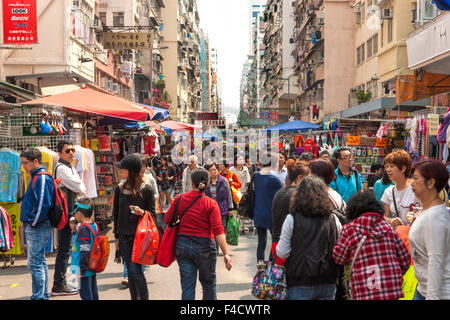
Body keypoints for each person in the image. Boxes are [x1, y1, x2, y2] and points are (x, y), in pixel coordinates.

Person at [165, 168, 232, 300]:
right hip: (205, 247)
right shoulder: (211, 204)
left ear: (192, 183)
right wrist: (226, 253)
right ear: (207, 185)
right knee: (208, 284)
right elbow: (218, 230)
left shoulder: (180, 199)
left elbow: (167, 219)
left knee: (187, 286)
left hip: (183, 246)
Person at [332, 190, 411, 300]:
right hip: (391, 291)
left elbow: (338, 258)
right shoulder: (389, 229)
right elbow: (405, 260)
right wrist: (392, 274)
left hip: (364, 291)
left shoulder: (349, 230)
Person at [276, 176, 340, 300]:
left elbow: (282, 252)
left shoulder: (292, 219)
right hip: (328, 279)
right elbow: (339, 249)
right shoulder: (333, 219)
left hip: (299, 280)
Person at [113, 154, 155, 300]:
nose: (120, 171)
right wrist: (116, 236)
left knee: (134, 270)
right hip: (124, 239)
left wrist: (142, 212)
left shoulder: (147, 190)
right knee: (131, 273)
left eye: (123, 169)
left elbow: (153, 215)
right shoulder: (119, 189)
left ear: (130, 171)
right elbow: (116, 214)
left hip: (140, 238)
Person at [409, 159, 450, 300]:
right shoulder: (429, 211)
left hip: (435, 293)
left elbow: (436, 261)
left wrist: (432, 297)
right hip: (423, 289)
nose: (411, 183)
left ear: (431, 183)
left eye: (415, 179)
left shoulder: (434, 216)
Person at [20, 148, 55, 300]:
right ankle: (42, 295)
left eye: (25, 163)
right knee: (39, 261)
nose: (23, 167)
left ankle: (39, 296)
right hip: (37, 225)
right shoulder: (38, 177)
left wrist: (32, 222)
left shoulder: (40, 178)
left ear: (35, 161)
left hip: (38, 226)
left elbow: (43, 204)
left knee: (35, 263)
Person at [52, 140, 86, 296]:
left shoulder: (69, 167)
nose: (72, 153)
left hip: (70, 214)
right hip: (65, 215)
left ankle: (60, 283)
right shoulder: (61, 168)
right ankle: (58, 284)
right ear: (60, 153)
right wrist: (80, 187)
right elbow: (79, 187)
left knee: (66, 249)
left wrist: (80, 187)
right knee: (64, 249)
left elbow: (80, 187)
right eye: (68, 151)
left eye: (72, 150)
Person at [271, 161, 310, 264]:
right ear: (300, 178)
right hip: (288, 247)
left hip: (276, 245)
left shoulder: (279, 193)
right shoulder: (298, 195)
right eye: (308, 179)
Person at [253, 154, 283, 261]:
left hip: (258, 212)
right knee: (275, 240)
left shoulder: (256, 176)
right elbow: (281, 196)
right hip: (271, 214)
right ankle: (271, 263)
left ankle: (260, 267)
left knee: (261, 241)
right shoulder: (275, 180)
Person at [70, 200, 99, 300]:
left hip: (83, 268)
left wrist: (81, 269)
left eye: (75, 213)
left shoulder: (83, 229)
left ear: (79, 214)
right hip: (91, 266)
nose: (74, 215)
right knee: (93, 293)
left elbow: (84, 250)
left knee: (86, 295)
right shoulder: (93, 225)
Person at [381, 150, 418, 227]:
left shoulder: (416, 188)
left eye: (391, 166)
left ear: (403, 168)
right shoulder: (388, 192)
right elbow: (384, 217)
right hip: (398, 236)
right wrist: (391, 221)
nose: (388, 170)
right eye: (386, 167)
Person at [204, 163, 234, 242]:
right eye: (210, 170)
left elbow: (229, 194)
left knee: (221, 229)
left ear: (218, 170)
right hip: (209, 210)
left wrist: (231, 208)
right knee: (211, 229)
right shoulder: (206, 182)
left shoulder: (224, 180)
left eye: (214, 169)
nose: (213, 172)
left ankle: (218, 246)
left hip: (222, 209)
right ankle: (215, 248)